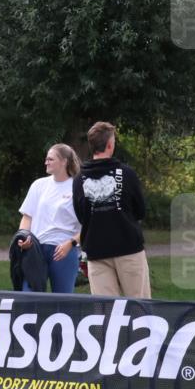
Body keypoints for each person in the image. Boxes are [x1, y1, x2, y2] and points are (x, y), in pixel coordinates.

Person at [72, 121, 150, 298]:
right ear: (109, 145)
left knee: (106, 313)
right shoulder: (127, 173)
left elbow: (81, 215)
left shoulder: (79, 179)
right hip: (128, 248)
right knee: (139, 306)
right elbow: (140, 211)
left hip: (96, 250)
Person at [15, 144, 83, 293]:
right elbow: (27, 217)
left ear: (64, 161)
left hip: (63, 252)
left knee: (62, 303)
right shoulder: (39, 185)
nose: (46, 162)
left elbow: (89, 226)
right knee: (28, 299)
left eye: (50, 159)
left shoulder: (78, 188)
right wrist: (23, 237)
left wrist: (71, 244)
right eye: (46, 159)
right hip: (35, 250)